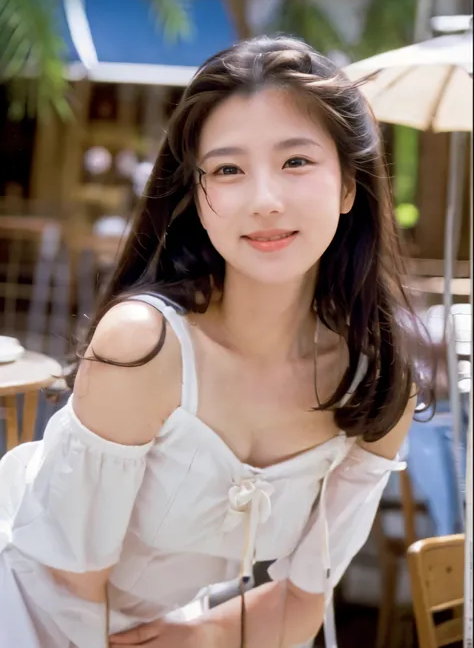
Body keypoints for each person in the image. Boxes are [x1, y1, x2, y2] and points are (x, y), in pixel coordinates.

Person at [0, 36, 428, 648]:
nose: (264, 201)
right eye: (228, 169)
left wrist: (202, 636)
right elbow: (67, 594)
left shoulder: (378, 386)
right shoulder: (142, 348)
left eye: (296, 161)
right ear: (198, 199)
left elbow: (306, 598)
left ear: (348, 186)